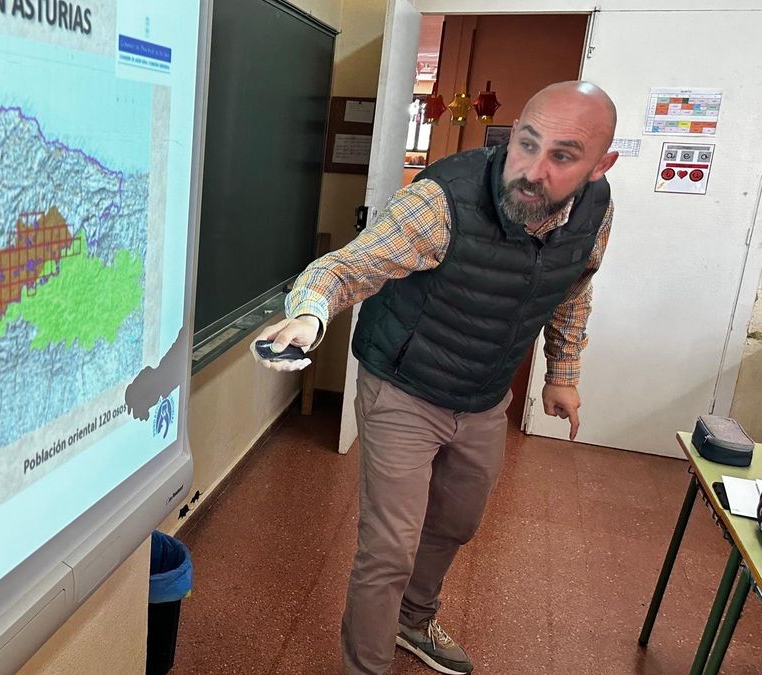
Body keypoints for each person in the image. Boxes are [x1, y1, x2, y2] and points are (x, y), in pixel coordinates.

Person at [255, 81, 619, 675]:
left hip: (481, 394)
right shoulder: (442, 201)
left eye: (563, 155)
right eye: (526, 144)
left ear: (600, 166)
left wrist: (563, 374)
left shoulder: (595, 213)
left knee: (457, 520)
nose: (532, 169)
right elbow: (350, 267)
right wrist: (308, 313)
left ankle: (412, 621)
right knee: (389, 547)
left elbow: (574, 288)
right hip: (403, 383)